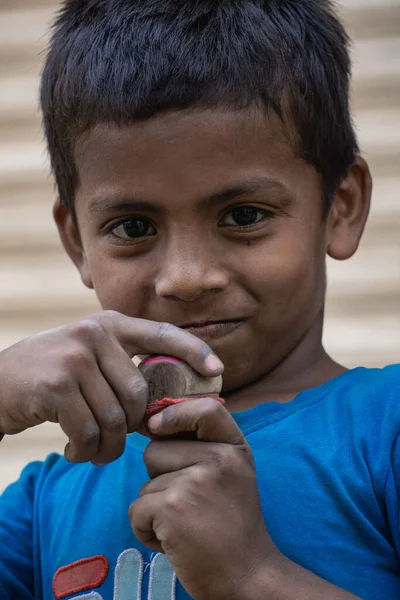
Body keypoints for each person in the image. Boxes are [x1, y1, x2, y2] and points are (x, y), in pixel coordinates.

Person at [0, 0, 398, 598]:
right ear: (77, 241)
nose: (186, 278)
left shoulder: (384, 432)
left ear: (340, 207)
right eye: (133, 227)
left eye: (244, 215)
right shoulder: (46, 500)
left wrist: (251, 575)